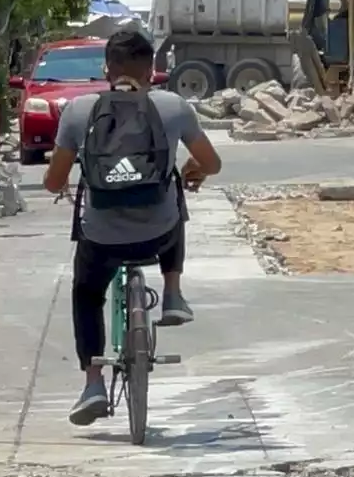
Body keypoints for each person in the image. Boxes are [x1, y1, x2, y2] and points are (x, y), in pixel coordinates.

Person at [43, 21, 223, 426]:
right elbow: (212, 163)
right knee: (173, 188)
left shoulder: (78, 111)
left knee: (87, 293)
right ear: (151, 71)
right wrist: (192, 170)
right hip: (158, 236)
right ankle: (173, 293)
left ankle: (93, 383)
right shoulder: (174, 106)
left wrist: (74, 181)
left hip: (102, 238)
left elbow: (53, 181)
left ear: (107, 69)